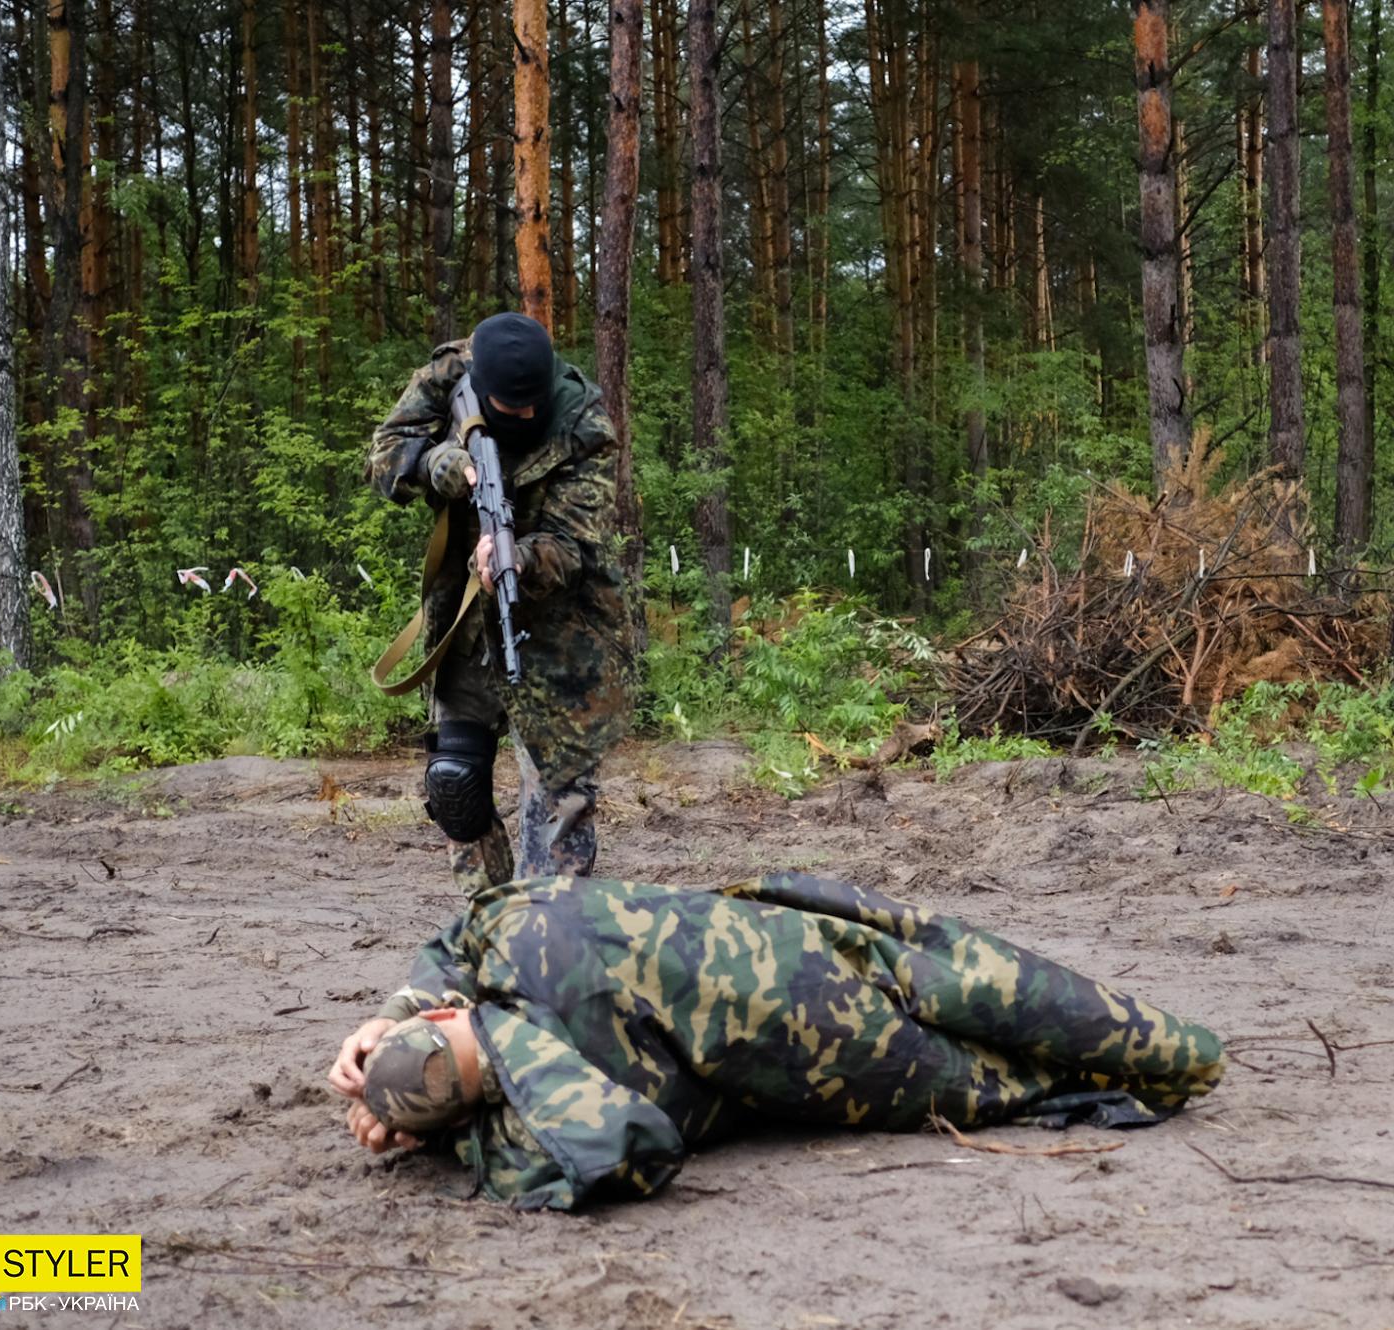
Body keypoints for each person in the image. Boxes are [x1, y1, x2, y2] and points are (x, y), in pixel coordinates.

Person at [325, 872, 1226, 1209]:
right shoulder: (513, 933)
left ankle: (1184, 1061)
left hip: (829, 1026)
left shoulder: (576, 1089)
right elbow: (459, 933)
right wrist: (409, 1028)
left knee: (1016, 1075)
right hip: (815, 963)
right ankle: (1186, 1049)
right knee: (1011, 993)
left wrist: (442, 1121)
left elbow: (626, 1150)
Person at [366, 313, 633, 897]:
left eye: (531, 409)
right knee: (454, 787)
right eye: (508, 412)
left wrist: (517, 560)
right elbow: (385, 455)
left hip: (567, 632)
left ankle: (544, 944)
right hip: (465, 627)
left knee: (561, 813)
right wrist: (438, 465)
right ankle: (487, 932)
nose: (524, 419)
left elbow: (576, 546)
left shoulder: (586, 425)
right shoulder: (449, 373)